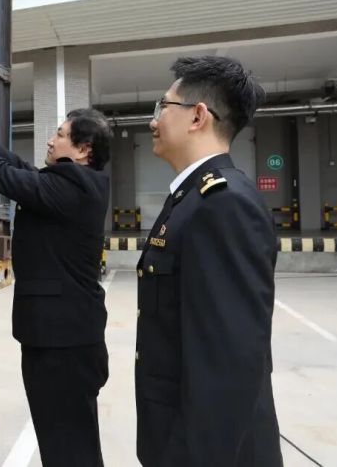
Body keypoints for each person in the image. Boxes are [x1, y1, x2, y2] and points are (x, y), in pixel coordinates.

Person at [0, 108, 112, 467]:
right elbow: (22, 169)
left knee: (67, 448)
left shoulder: (76, 187)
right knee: (70, 443)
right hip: (65, 340)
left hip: (62, 345)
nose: (51, 140)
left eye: (60, 134)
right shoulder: (74, 183)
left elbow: (9, 178)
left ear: (83, 150)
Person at [135, 56, 283, 467]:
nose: (153, 120)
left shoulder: (224, 204)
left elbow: (228, 365)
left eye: (163, 106)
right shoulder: (192, 197)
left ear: (197, 116)